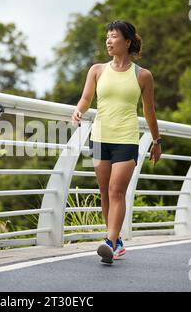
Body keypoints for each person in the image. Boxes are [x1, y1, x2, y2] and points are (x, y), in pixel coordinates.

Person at [71, 20, 162, 264]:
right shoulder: (97, 70)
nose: (108, 41)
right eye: (107, 37)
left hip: (126, 139)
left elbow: (149, 111)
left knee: (116, 191)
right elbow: (86, 98)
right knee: (105, 192)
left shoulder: (143, 76)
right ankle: (116, 240)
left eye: (113, 37)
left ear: (127, 42)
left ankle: (109, 242)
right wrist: (78, 111)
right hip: (100, 137)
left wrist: (156, 140)